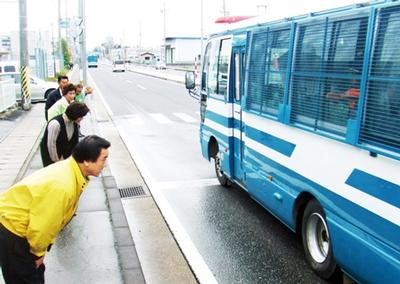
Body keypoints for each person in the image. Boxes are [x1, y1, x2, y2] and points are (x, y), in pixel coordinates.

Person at [0, 135, 110, 284]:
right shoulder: (63, 185)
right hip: (13, 231)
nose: (105, 164)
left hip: (17, 226)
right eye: (103, 159)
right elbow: (43, 226)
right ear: (86, 161)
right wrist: (38, 254)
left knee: (32, 275)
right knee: (25, 277)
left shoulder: (72, 170)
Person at [40, 102, 90, 167]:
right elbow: (51, 145)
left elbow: (74, 142)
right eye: (81, 116)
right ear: (75, 114)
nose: (82, 119)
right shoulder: (55, 124)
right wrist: (57, 161)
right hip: (51, 155)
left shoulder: (74, 122)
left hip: (64, 155)